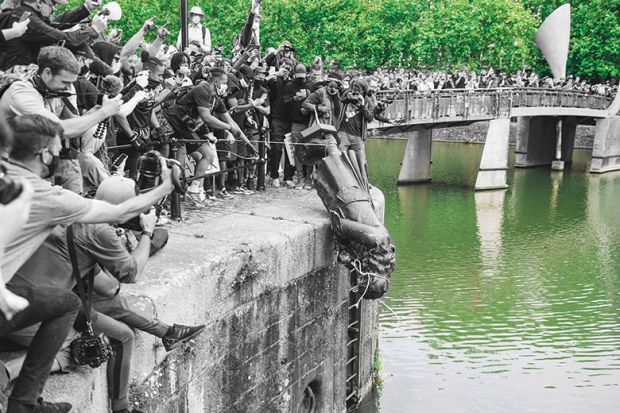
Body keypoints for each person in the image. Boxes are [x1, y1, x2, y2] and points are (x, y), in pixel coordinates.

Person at [8, 175, 204, 413]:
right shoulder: (98, 231)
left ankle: (166, 333)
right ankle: (7, 371)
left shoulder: (71, 209)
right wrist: (146, 233)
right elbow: (126, 277)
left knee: (113, 315)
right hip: (35, 317)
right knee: (91, 347)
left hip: (15, 302)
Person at [0, 0, 107, 70]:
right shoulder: (28, 19)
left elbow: (57, 24)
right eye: (53, 4)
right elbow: (65, 38)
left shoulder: (26, 14)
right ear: (39, 2)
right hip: (14, 79)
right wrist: (94, 29)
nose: (55, 9)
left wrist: (86, 8)